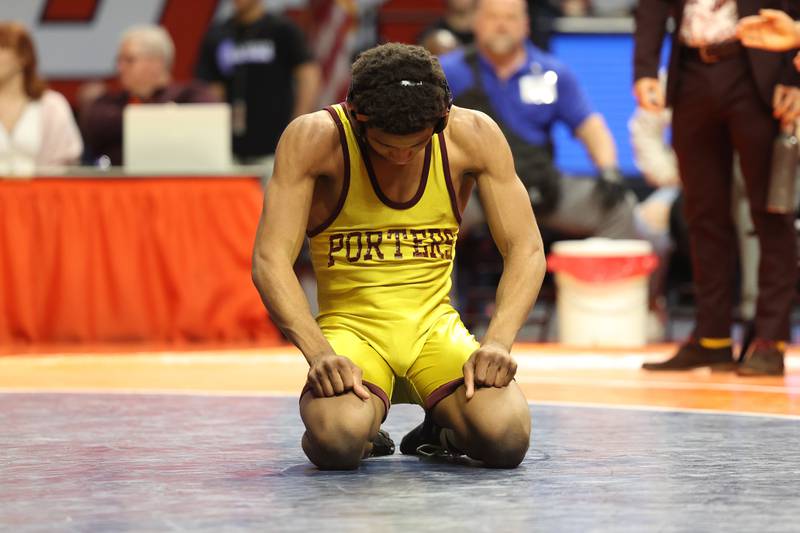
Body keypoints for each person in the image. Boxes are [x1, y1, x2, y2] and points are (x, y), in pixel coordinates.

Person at [252, 43, 544, 470]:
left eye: (417, 144)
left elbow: (527, 248)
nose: (403, 156)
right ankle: (363, 433)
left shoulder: (473, 134)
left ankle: (439, 433)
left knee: (507, 440)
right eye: (388, 147)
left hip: (434, 330)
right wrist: (320, 355)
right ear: (357, 118)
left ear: (441, 120)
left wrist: (497, 340)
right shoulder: (314, 138)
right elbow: (270, 260)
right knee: (338, 441)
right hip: (352, 333)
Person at [634, 0, 800, 375]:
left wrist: (795, 75)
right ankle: (713, 339)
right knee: (703, 212)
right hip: (692, 68)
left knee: (772, 210)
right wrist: (644, 67)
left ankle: (770, 340)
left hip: (760, 68)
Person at [439, 0, 640, 244]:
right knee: (435, 213)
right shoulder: (449, 71)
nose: (501, 26)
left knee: (620, 206)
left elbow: (590, 126)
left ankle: (594, 282)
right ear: (477, 23)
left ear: (525, 25)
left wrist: (609, 170)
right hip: (474, 190)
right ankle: (443, 284)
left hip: (541, 186)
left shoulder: (552, 72)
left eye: (510, 18)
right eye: (493, 17)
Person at [195, 0, 321, 164]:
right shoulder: (218, 34)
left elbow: (308, 75)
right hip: (231, 148)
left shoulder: (281, 29)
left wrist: (298, 124)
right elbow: (212, 90)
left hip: (275, 146)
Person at [80, 25, 217, 166]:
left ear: (156, 63)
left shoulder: (192, 95)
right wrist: (166, 117)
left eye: (129, 60)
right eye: (119, 60)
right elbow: (96, 125)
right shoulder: (110, 102)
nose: (120, 68)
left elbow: (206, 122)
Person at [0, 22, 82, 175]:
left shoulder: (52, 106)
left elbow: (65, 161)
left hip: (41, 195)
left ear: (23, 57)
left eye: (2, 48)